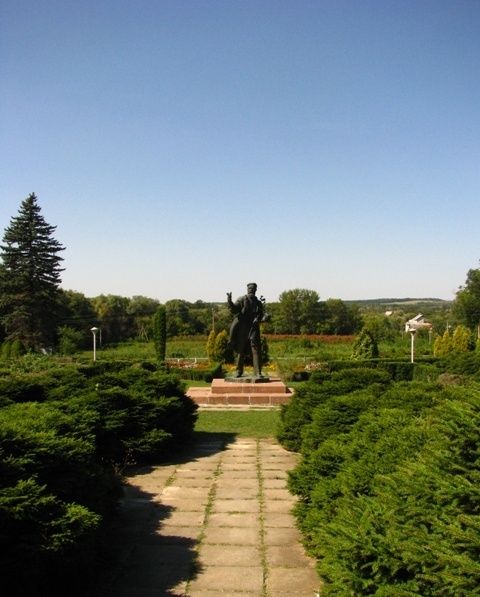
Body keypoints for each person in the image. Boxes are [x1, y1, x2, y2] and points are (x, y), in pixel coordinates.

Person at [227, 282, 264, 378]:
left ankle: (258, 372)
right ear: (247, 289)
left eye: (253, 288)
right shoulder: (242, 299)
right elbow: (235, 309)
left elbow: (261, 315)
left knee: (256, 350)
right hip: (243, 328)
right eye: (249, 288)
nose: (251, 289)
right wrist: (230, 301)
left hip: (254, 328)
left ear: (256, 290)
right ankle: (238, 371)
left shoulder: (258, 302)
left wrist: (264, 318)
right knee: (240, 350)